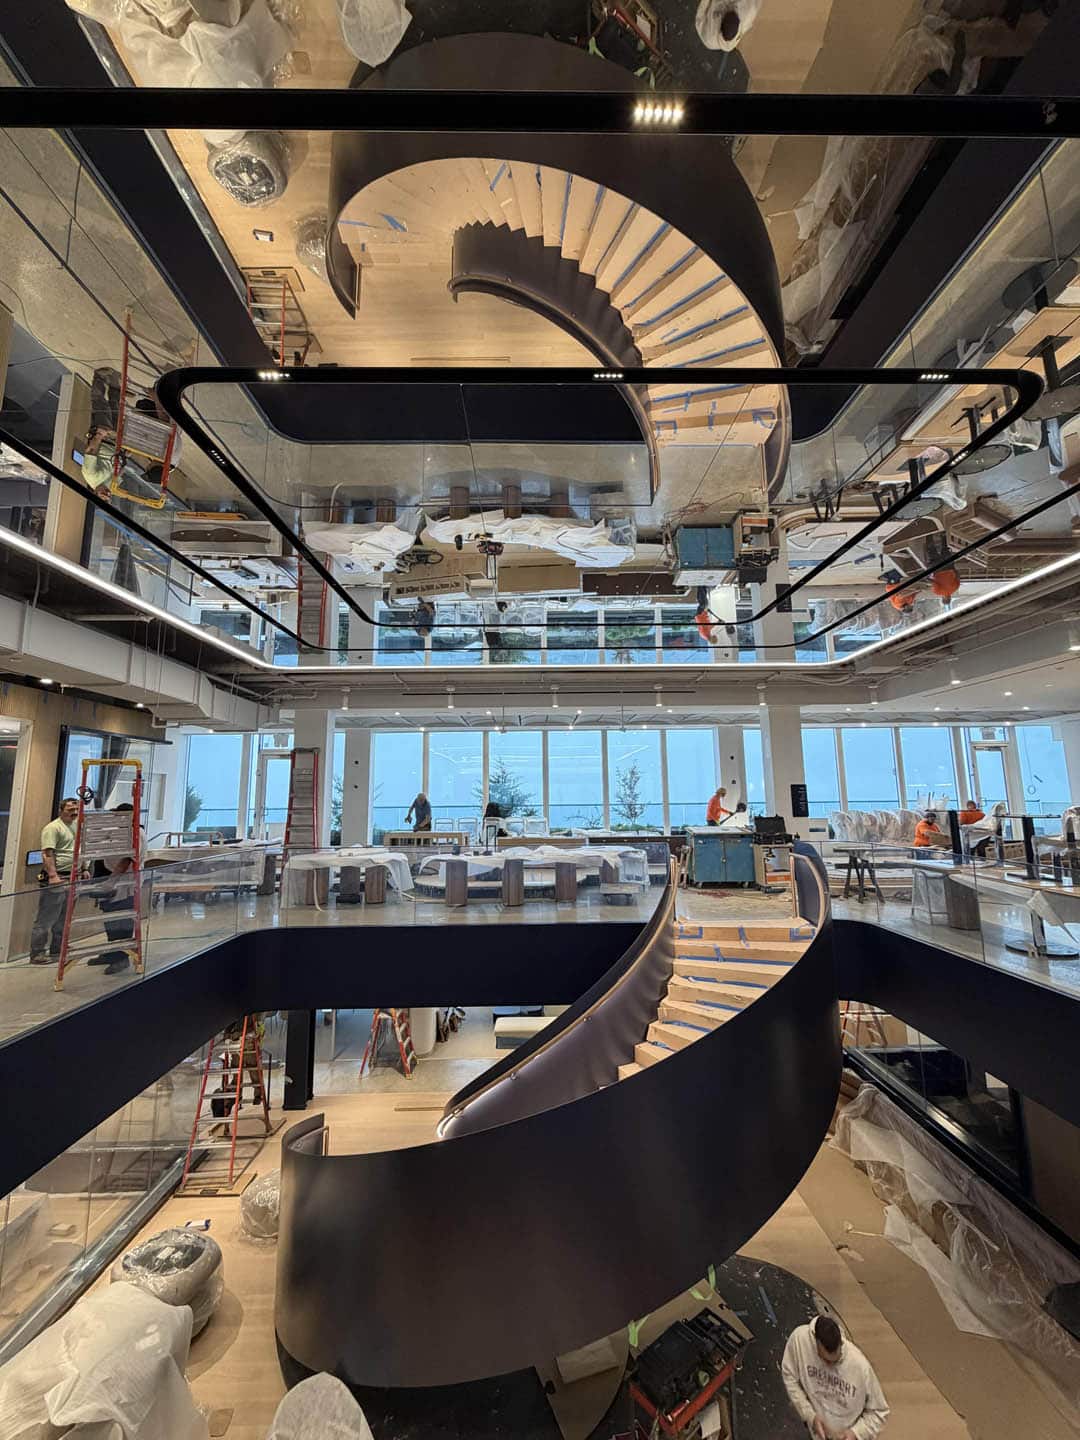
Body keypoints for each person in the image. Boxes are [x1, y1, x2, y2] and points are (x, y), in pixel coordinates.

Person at [781, 1314, 889, 1440]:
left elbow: (879, 1412)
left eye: (835, 1361)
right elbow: (790, 1377)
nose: (829, 1365)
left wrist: (856, 1433)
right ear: (815, 1342)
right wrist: (809, 1415)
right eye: (826, 1360)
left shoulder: (860, 1367)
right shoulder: (799, 1341)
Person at [89, 802, 145, 977]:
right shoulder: (120, 831)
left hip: (124, 883)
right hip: (110, 878)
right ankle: (111, 952)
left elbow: (127, 860)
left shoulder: (137, 834)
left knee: (121, 921)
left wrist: (111, 881)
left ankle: (121, 957)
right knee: (110, 919)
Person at [30, 797, 80, 965]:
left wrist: (85, 868)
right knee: (47, 917)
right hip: (57, 877)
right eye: (70, 810)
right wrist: (52, 875)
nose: (74, 813)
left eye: (76, 810)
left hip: (74, 877)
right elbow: (47, 853)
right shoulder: (53, 828)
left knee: (64, 917)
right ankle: (37, 953)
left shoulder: (76, 826)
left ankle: (58, 947)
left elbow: (80, 848)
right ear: (61, 810)